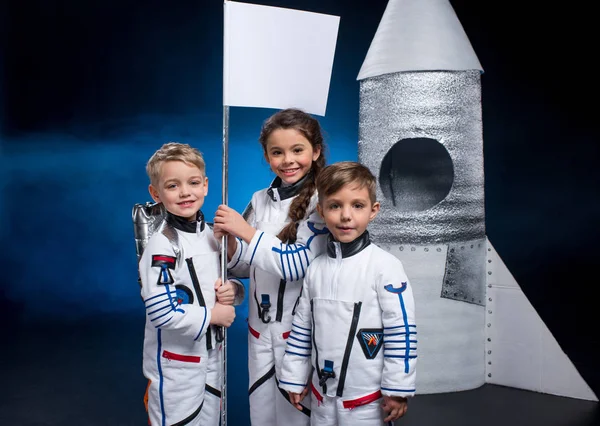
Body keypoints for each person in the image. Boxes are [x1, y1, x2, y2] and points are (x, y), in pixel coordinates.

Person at [213, 108, 330, 426]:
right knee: (263, 415)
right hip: (260, 331)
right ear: (266, 156)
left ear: (315, 151)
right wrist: (231, 245)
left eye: (297, 150)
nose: (288, 160)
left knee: (296, 416)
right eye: (277, 152)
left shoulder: (325, 201)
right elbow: (244, 267)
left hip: (299, 335)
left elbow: (297, 266)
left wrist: (245, 232)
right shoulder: (259, 199)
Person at [279, 161, 417, 425]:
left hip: (366, 402)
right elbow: (302, 330)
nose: (345, 216)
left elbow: (402, 332)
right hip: (322, 399)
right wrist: (294, 378)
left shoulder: (385, 267)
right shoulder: (316, 268)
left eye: (357, 205)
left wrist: (397, 389)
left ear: (373, 210)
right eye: (335, 206)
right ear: (321, 210)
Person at [139, 142, 243, 426]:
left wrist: (234, 291)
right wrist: (213, 315)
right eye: (173, 186)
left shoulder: (212, 235)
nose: (185, 192)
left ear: (206, 185)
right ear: (156, 193)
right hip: (177, 368)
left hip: (213, 358)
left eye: (193, 182)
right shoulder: (163, 245)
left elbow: (228, 277)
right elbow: (161, 312)